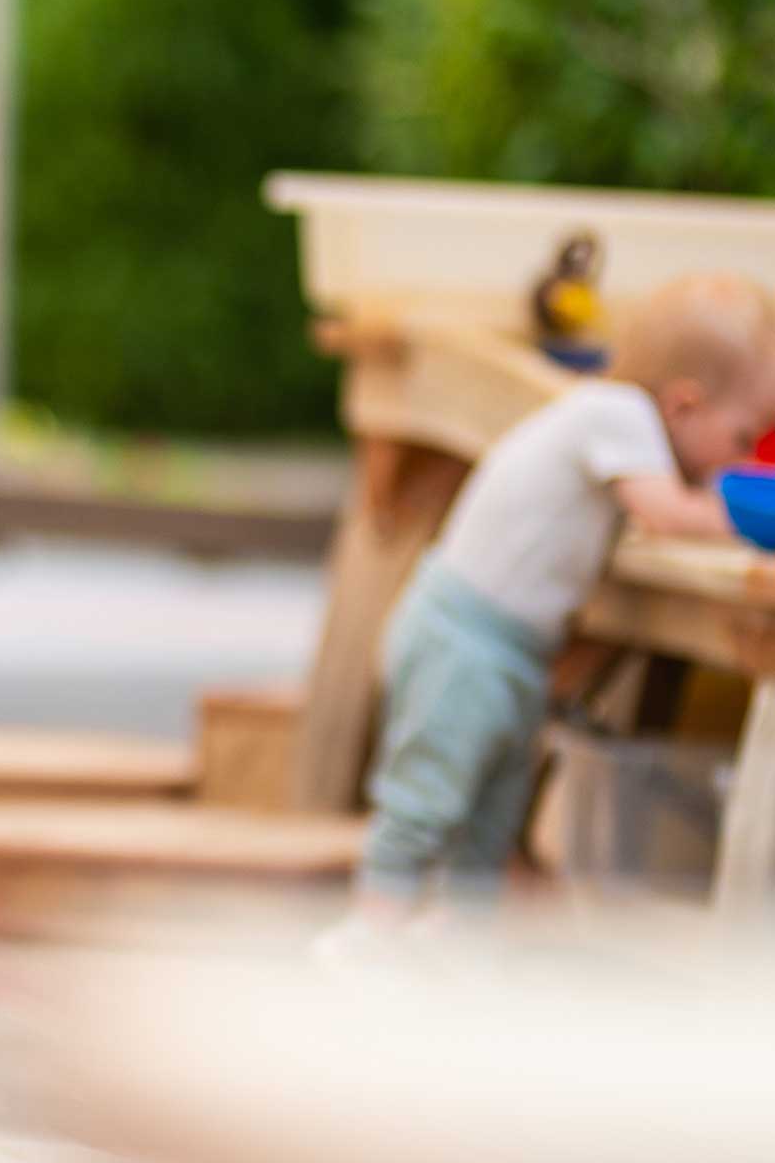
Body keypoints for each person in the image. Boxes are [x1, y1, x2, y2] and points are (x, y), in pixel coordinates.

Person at [313, 271, 775, 963]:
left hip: (509, 647)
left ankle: (459, 945)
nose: (742, 458)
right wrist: (751, 512)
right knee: (426, 798)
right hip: (461, 637)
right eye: (743, 437)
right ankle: (365, 936)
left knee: (493, 817)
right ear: (684, 404)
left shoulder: (632, 432)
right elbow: (669, 516)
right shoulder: (615, 415)